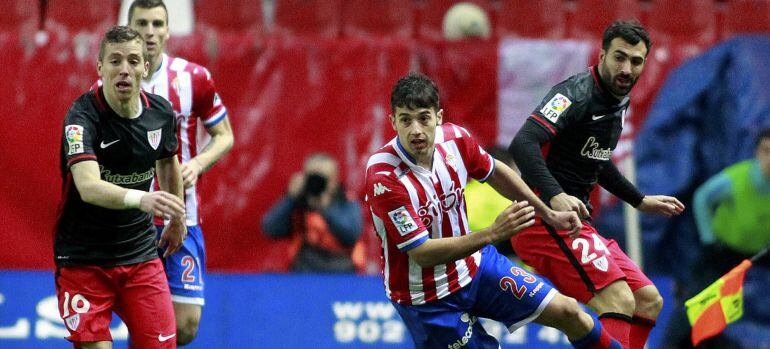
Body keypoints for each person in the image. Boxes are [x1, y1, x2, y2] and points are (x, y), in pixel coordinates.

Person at [365, 72, 623, 349]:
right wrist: (493, 233)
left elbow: (495, 171)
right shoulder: (384, 178)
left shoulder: (455, 139)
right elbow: (422, 253)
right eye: (405, 120)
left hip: (476, 268)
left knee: (571, 313)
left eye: (423, 118)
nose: (415, 129)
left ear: (438, 117)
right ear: (393, 122)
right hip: (428, 300)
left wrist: (547, 212)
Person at [508, 20, 686, 349]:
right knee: (618, 300)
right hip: (542, 219)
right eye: (619, 57)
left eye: (636, 61)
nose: (626, 68)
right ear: (602, 55)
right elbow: (524, 144)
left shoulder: (615, 101)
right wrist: (556, 196)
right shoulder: (573, 94)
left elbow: (595, 159)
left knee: (647, 300)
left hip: (577, 222)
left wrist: (639, 200)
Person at [55, 26, 186, 349]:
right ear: (100, 68)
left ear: (145, 66)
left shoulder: (160, 114)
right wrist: (143, 198)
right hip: (84, 260)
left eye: (132, 60)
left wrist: (177, 217)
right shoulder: (81, 118)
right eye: (114, 61)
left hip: (139, 256)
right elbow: (88, 186)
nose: (124, 69)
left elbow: (168, 162)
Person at [121, 0, 235, 345]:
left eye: (157, 24)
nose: (150, 32)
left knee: (184, 326)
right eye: (142, 23)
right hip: (132, 218)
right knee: (144, 319)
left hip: (182, 215)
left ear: (168, 30)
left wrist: (198, 164)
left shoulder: (193, 78)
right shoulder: (117, 81)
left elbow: (225, 135)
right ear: (130, 29)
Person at [663, 127, 770, 348]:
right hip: (722, 253)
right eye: (767, 151)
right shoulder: (737, 179)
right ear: (757, 152)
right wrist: (709, 238)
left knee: (727, 312)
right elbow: (703, 198)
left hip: (758, 255)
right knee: (698, 304)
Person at [262, 153, 364, 273]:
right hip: (304, 270)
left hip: (341, 271)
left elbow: (351, 235)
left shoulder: (346, 201)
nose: (318, 183)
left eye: (323, 179)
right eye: (313, 178)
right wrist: (290, 198)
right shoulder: (299, 203)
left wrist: (325, 208)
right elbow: (270, 229)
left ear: (335, 180)